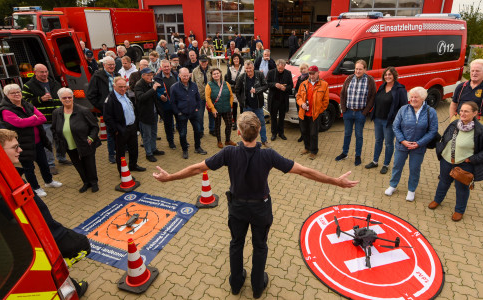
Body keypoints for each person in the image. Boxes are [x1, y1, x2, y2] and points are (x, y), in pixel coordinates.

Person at [152, 111, 359, 299]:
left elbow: (197, 168)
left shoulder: (228, 152)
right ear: (259, 131)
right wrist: (336, 181)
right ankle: (258, 287)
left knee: (236, 243)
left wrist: (170, 177)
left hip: (237, 208)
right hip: (261, 208)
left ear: (239, 133)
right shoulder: (268, 155)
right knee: (260, 246)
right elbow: (304, 171)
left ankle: (236, 284)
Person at [0, 128, 90, 297]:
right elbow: (34, 217)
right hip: (39, 242)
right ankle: (73, 289)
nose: (20, 150)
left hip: (29, 243)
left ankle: (73, 287)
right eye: (15, 147)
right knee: (80, 247)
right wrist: (58, 237)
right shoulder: (3, 186)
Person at [0, 84, 62, 197]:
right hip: (23, 144)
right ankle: (35, 188)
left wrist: (28, 120)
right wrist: (33, 118)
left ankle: (49, 181)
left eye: (18, 92)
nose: (17, 94)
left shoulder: (27, 104)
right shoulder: (5, 110)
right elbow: (19, 123)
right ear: (7, 95)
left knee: (44, 163)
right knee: (29, 168)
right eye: (13, 93)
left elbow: (42, 118)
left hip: (38, 141)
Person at [430, 101, 483, 221]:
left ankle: (459, 210)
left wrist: (472, 159)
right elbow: (445, 137)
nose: (462, 113)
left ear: (474, 113)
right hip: (447, 160)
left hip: (464, 164)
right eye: (461, 110)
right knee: (443, 182)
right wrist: (441, 149)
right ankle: (437, 200)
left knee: (462, 188)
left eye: (466, 111)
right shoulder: (454, 123)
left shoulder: (479, 131)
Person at [384, 87, 438, 201]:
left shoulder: (430, 111)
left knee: (414, 169)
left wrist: (418, 143)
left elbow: (433, 131)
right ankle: (393, 185)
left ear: (423, 98)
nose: (413, 99)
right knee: (397, 166)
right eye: (411, 97)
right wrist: (403, 140)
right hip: (401, 145)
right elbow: (395, 126)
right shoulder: (403, 109)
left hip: (418, 147)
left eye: (416, 97)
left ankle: (411, 190)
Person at [22, 63, 70, 175]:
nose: (44, 74)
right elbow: (25, 102)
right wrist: (40, 99)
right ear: (35, 72)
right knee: (48, 143)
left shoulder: (54, 83)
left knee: (60, 139)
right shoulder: (29, 85)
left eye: (46, 71)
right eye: (41, 72)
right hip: (44, 121)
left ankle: (61, 157)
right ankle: (50, 164)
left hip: (58, 118)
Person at [51, 88, 101, 193]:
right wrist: (59, 140)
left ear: (73, 98)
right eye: (64, 98)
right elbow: (54, 129)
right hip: (69, 145)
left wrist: (91, 138)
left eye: (70, 97)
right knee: (78, 165)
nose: (68, 99)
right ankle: (86, 182)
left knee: (89, 164)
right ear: (60, 99)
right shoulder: (57, 112)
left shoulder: (83, 111)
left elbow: (94, 127)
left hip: (85, 143)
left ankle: (94, 182)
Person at [365, 67, 408, 174]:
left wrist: (399, 121)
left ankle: (386, 164)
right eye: (386, 75)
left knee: (388, 144)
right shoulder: (382, 86)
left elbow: (404, 107)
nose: (387, 77)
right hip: (378, 119)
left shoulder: (400, 89)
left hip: (390, 122)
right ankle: (375, 162)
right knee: (378, 141)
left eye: (390, 75)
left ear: (394, 76)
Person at [335, 60, 376, 166]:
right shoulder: (349, 78)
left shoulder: (369, 80)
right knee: (347, 134)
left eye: (360, 69)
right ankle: (344, 153)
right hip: (348, 112)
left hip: (360, 113)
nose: (357, 71)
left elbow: (372, 97)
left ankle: (358, 156)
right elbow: (343, 94)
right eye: (356, 69)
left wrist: (365, 112)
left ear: (365, 70)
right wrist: (343, 110)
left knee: (359, 135)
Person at [103, 77, 146, 174]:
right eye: (120, 87)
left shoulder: (125, 95)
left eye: (124, 87)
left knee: (134, 148)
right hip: (121, 130)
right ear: (114, 86)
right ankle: (122, 172)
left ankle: (133, 165)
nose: (123, 89)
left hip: (132, 127)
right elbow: (107, 118)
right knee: (121, 153)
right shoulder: (110, 100)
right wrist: (117, 130)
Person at [86, 56, 119, 164]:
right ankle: (111, 154)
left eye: (113, 64)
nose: (112, 66)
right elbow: (90, 95)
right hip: (107, 110)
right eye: (109, 64)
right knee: (110, 132)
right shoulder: (97, 76)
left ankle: (120, 150)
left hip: (118, 109)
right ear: (104, 65)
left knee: (120, 130)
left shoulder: (117, 75)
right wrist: (101, 107)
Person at [171, 68, 207, 159]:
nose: (186, 77)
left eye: (187, 75)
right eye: (184, 76)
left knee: (198, 130)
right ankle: (185, 150)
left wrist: (197, 107)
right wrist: (178, 113)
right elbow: (172, 102)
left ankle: (197, 147)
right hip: (181, 114)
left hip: (193, 113)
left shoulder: (194, 85)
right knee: (183, 133)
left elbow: (198, 98)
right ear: (179, 75)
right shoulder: (174, 87)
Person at [296, 65, 329, 160]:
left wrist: (319, 110)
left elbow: (325, 102)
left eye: (313, 74)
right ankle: (307, 147)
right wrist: (302, 104)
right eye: (310, 74)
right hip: (303, 113)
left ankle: (314, 151)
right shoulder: (303, 84)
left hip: (315, 114)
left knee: (313, 133)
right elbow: (298, 97)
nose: (311, 76)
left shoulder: (324, 84)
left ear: (318, 73)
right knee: (304, 131)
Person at [235, 60, 269, 147]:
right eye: (246, 68)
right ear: (244, 68)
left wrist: (257, 90)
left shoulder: (259, 75)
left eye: (250, 68)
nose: (249, 70)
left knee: (261, 123)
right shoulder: (241, 77)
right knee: (246, 125)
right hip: (247, 106)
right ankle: (246, 142)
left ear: (253, 68)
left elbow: (266, 86)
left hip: (258, 105)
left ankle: (264, 140)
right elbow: (237, 91)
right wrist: (241, 102)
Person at [135, 68, 165, 162]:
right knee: (146, 135)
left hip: (154, 113)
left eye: (151, 75)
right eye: (148, 75)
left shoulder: (151, 83)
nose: (150, 77)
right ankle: (148, 153)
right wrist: (153, 89)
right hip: (145, 114)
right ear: (142, 75)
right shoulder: (138, 85)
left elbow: (154, 97)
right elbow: (141, 98)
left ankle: (153, 149)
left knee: (154, 133)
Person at [206, 67, 235, 148]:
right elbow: (207, 98)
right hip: (216, 110)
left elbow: (231, 95)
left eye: (217, 73)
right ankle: (219, 141)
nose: (216, 75)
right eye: (214, 74)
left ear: (220, 74)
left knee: (229, 124)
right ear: (212, 75)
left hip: (227, 108)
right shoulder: (209, 85)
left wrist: (229, 104)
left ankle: (227, 140)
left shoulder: (226, 83)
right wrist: (213, 109)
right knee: (217, 126)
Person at [266, 59, 293, 141]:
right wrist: (275, 84)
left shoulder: (288, 73)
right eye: (279, 68)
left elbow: (291, 85)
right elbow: (267, 83)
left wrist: (285, 88)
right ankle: (274, 133)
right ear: (276, 66)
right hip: (274, 99)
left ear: (284, 66)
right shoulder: (271, 72)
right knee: (273, 117)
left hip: (283, 100)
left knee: (282, 117)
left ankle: (281, 133)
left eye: (282, 69)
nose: (280, 70)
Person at [154, 60, 178, 150]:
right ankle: (171, 142)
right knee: (168, 125)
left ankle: (183, 140)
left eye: (168, 66)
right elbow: (154, 91)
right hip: (165, 105)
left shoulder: (175, 75)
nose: (167, 68)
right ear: (161, 68)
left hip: (176, 104)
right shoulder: (157, 78)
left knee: (180, 123)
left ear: (170, 66)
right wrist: (160, 96)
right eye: (164, 67)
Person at [192, 54, 214, 137]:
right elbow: (193, 84)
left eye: (205, 61)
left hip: (211, 96)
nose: (204, 63)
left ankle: (212, 129)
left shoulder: (212, 69)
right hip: (199, 97)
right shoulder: (195, 71)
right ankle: (200, 130)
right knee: (199, 116)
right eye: (202, 61)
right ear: (199, 62)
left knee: (212, 114)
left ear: (207, 62)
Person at [225, 53, 245, 130]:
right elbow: (228, 79)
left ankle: (242, 123)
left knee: (242, 107)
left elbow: (245, 77)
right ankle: (235, 123)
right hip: (234, 91)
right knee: (235, 108)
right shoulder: (230, 68)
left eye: (237, 58)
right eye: (234, 59)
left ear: (239, 59)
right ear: (232, 60)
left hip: (242, 91)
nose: (236, 60)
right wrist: (237, 83)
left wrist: (238, 83)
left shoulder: (243, 67)